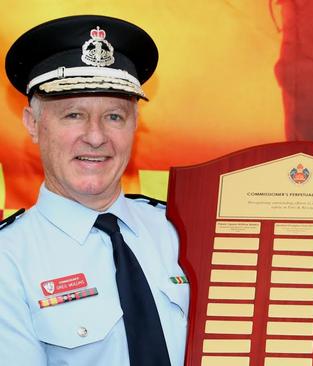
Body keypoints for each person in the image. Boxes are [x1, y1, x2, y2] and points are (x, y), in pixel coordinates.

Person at [0, 16, 188, 365]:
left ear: (135, 124)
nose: (96, 136)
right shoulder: (7, 261)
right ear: (33, 124)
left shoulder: (181, 230)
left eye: (114, 116)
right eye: (73, 115)